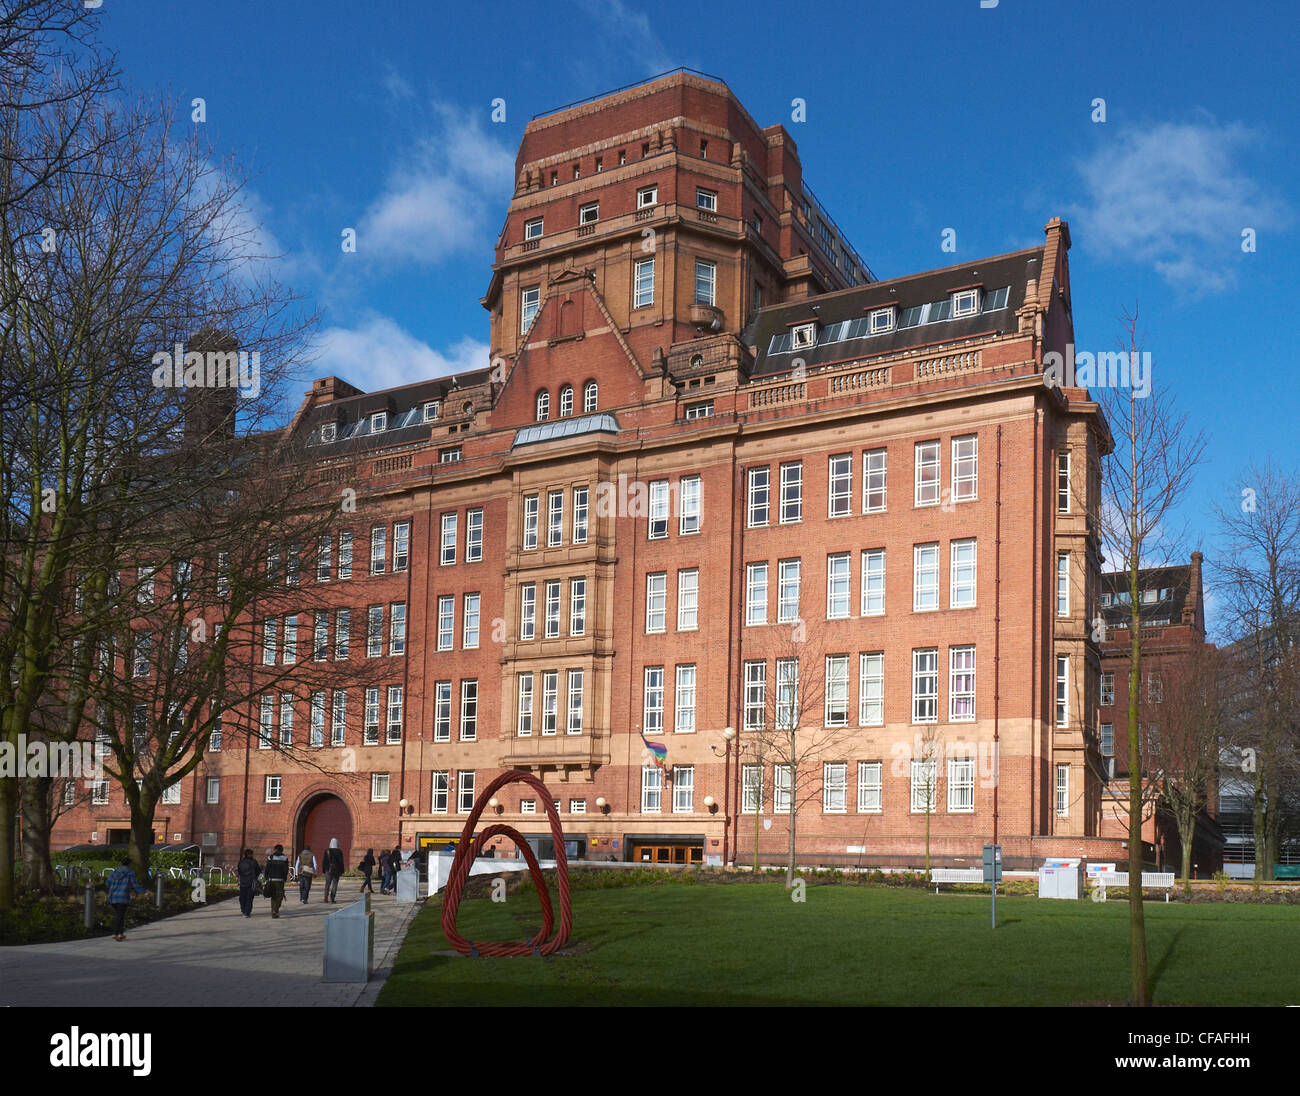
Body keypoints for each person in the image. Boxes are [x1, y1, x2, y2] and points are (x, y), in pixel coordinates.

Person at [104, 858, 148, 941]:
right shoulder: (130, 873)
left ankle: (120, 934)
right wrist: (144, 892)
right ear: (129, 864)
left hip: (113, 897)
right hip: (123, 897)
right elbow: (135, 885)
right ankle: (117, 934)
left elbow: (107, 883)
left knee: (119, 916)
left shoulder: (115, 872)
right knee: (120, 916)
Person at [263, 843, 290, 917]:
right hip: (280, 880)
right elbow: (286, 870)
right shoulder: (284, 858)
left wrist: (266, 877)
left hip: (271, 879)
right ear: (282, 850)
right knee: (279, 896)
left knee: (273, 896)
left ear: (275, 849)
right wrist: (284, 878)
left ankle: (274, 911)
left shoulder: (270, 858)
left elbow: (267, 869)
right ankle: (275, 910)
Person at [236, 848, 261, 917]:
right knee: (249, 898)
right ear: (249, 854)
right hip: (251, 882)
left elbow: (239, 871)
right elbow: (258, 870)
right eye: (251, 854)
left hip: (243, 882)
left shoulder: (241, 862)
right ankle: (247, 912)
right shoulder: (254, 862)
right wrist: (255, 877)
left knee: (242, 897)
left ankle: (243, 910)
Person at [322, 838, 344, 903]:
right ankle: (332, 898)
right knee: (335, 884)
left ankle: (325, 897)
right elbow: (341, 862)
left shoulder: (327, 851)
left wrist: (324, 870)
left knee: (327, 884)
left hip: (328, 870)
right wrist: (342, 871)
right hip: (337, 871)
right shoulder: (339, 851)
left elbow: (324, 861)